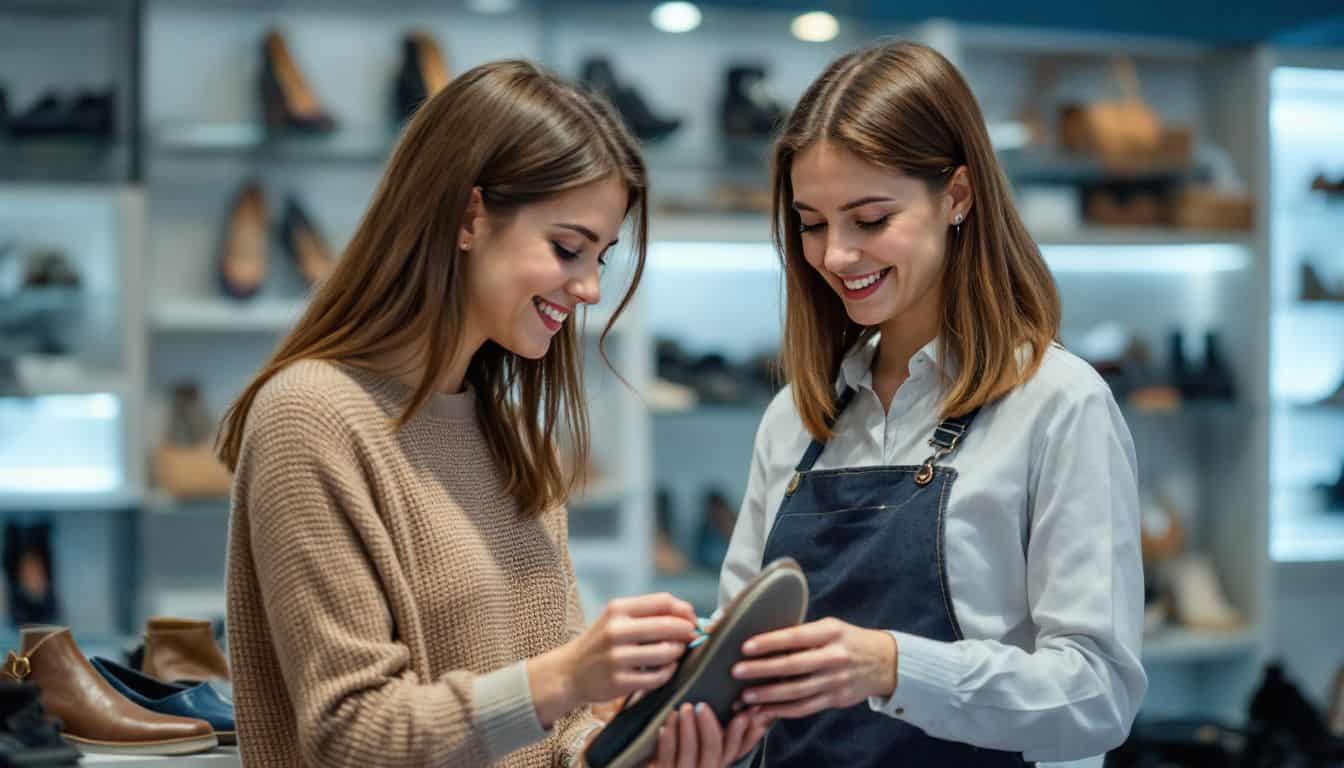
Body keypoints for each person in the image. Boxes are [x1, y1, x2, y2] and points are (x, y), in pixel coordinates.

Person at [219, 60, 765, 768]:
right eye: (568, 248)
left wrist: (631, 751)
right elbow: (349, 735)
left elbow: (549, 738)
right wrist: (565, 676)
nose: (592, 288)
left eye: (601, 255)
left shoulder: (505, 433)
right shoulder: (311, 416)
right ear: (470, 216)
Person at [717, 41, 1148, 766]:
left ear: (957, 195)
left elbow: (1097, 695)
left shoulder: (1057, 404)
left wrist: (891, 667)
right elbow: (741, 659)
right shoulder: (797, 415)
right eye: (812, 222)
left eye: (870, 219)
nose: (835, 255)